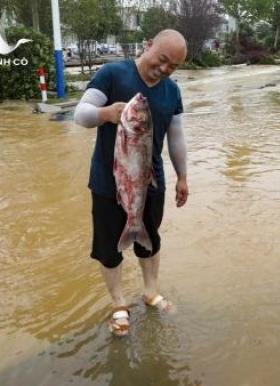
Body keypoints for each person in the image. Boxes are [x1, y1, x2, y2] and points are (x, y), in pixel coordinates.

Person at [73, 29, 189, 337]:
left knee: (149, 239)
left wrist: (183, 177)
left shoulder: (172, 91)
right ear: (148, 45)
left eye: (173, 66)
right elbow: (80, 114)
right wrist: (106, 113)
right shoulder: (112, 74)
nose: (164, 69)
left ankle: (151, 292)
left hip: (150, 182)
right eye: (162, 59)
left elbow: (176, 137)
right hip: (107, 183)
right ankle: (119, 304)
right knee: (109, 247)